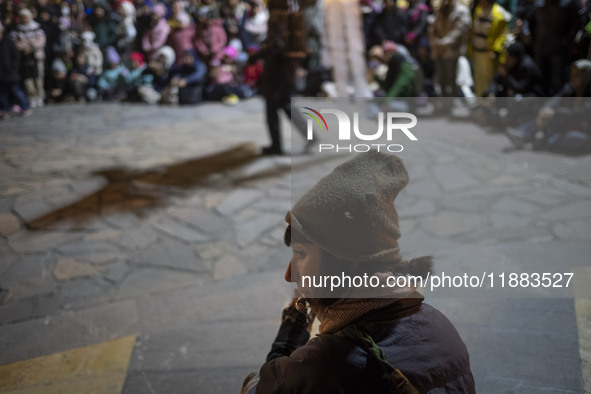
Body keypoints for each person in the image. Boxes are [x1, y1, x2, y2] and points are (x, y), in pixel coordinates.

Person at [242, 150, 476, 393]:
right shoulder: (440, 326)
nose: (290, 274)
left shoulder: (321, 366)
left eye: (301, 254)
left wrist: (291, 331)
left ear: (346, 262)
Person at [429, 0, 471, 97]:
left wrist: (443, 43)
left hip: (452, 52)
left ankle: (451, 104)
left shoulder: (461, 10)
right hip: (439, 51)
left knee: (452, 80)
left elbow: (459, 31)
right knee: (440, 80)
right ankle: (443, 104)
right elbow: (432, 28)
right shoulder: (440, 9)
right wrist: (435, 43)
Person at [469, 0, 510, 97]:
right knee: (478, 78)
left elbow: (502, 35)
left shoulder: (499, 13)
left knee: (488, 79)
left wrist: (496, 50)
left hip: (488, 53)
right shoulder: (478, 10)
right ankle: (479, 102)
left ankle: (487, 106)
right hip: (477, 51)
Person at [10, 8, 46, 108]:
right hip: (24, 58)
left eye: (25, 17)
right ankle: (32, 97)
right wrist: (24, 48)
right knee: (28, 79)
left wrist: (30, 46)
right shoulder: (17, 30)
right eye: (22, 17)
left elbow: (41, 41)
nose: (24, 19)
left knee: (38, 77)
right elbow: (15, 43)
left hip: (36, 57)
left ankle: (40, 96)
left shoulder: (37, 28)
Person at [0, 21, 32, 119]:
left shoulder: (7, 40)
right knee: (2, 92)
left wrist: (14, 67)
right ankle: (5, 109)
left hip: (10, 72)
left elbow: (16, 55)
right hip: (1, 73)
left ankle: (25, 106)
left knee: (16, 89)